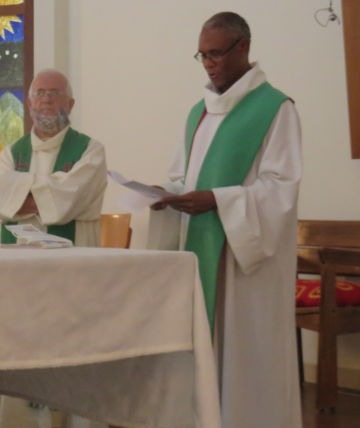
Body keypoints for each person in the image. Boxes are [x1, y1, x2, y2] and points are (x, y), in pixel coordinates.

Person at [149, 12, 302, 427]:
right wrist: (167, 196)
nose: (210, 63)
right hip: (203, 256)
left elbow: (280, 191)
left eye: (216, 54)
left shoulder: (275, 108)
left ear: (244, 49)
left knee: (247, 359)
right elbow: (182, 175)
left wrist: (218, 200)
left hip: (245, 266)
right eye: (203, 55)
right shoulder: (198, 112)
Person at [0, 69, 107, 247]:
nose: (47, 100)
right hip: (16, 259)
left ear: (70, 104)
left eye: (55, 93)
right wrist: (50, 193)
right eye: (40, 93)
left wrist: (16, 195)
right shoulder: (12, 153)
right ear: (30, 103)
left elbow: (71, 199)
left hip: (73, 256)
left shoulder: (90, 151)